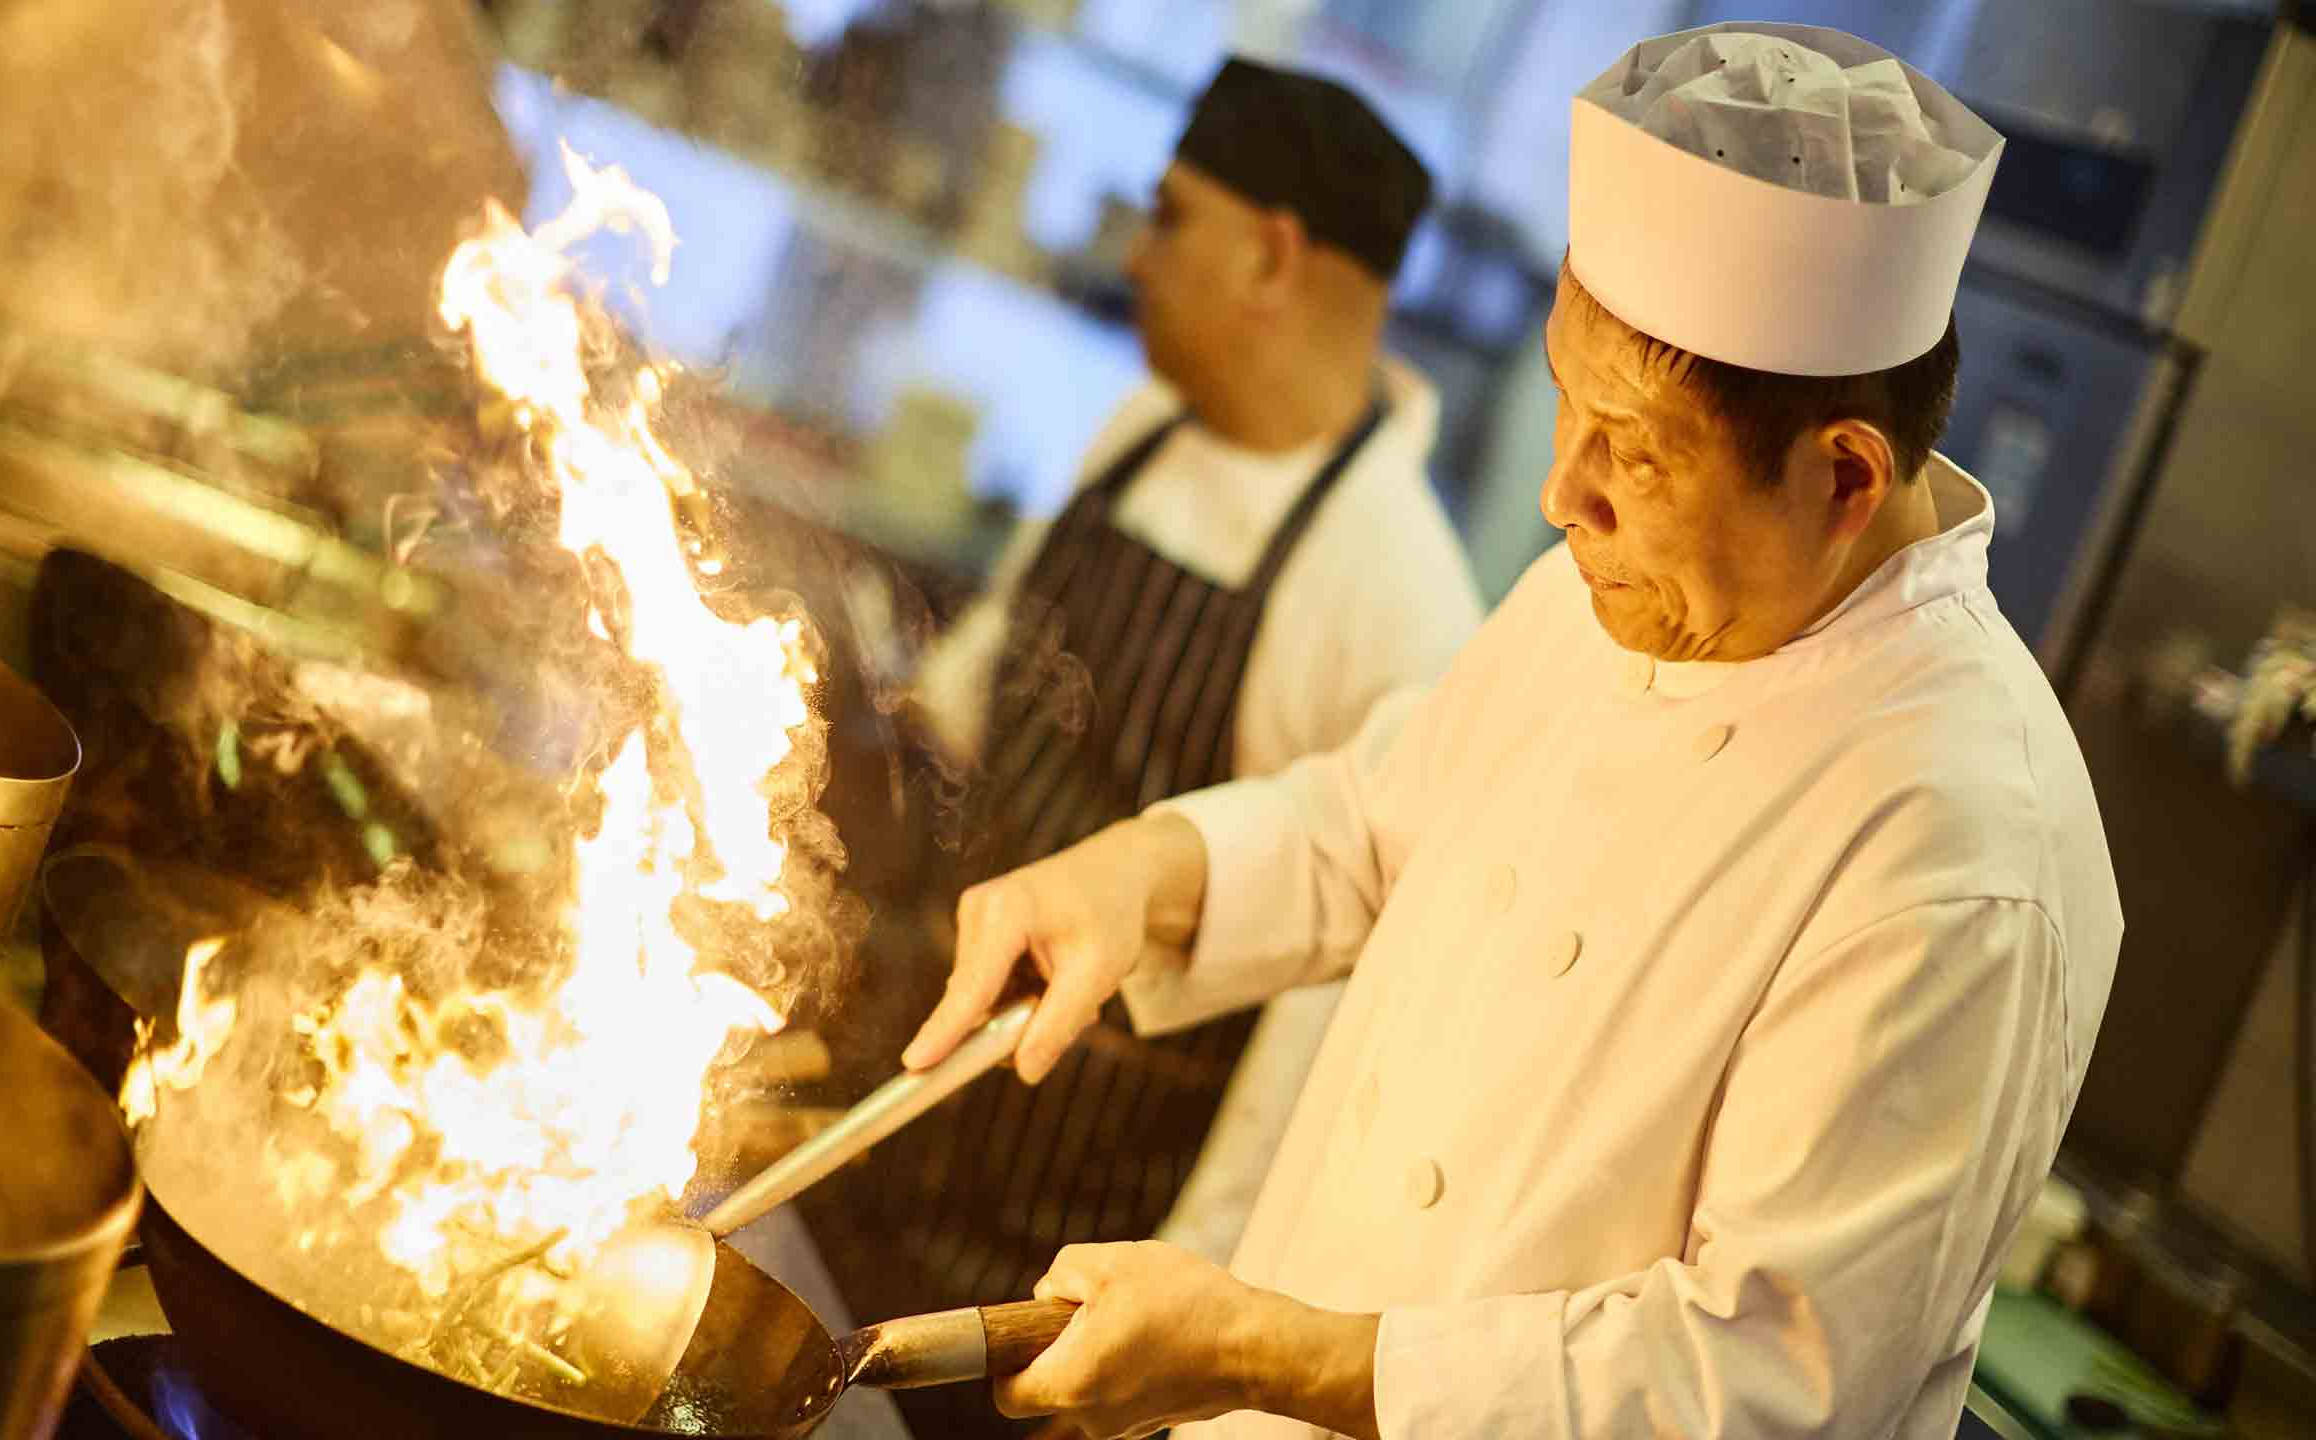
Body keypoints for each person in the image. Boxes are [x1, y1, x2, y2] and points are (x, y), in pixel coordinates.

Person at [899, 23, 2121, 1440]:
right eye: (1563, 399)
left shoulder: (1964, 846)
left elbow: (1760, 1384)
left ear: (1843, 477)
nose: (1560, 492)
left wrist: (1259, 1355)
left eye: (1638, 450)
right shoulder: (1607, 598)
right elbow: (1370, 827)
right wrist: (1142, 869)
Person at [803, 57, 1481, 1437]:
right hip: (900, 1109)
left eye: (1169, 216)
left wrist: (1188, 1337)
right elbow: (992, 683)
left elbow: (1318, 1041)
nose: (1132, 250)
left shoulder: (1393, 595)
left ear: (1271, 257)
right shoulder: (1143, 432)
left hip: (1063, 1250)